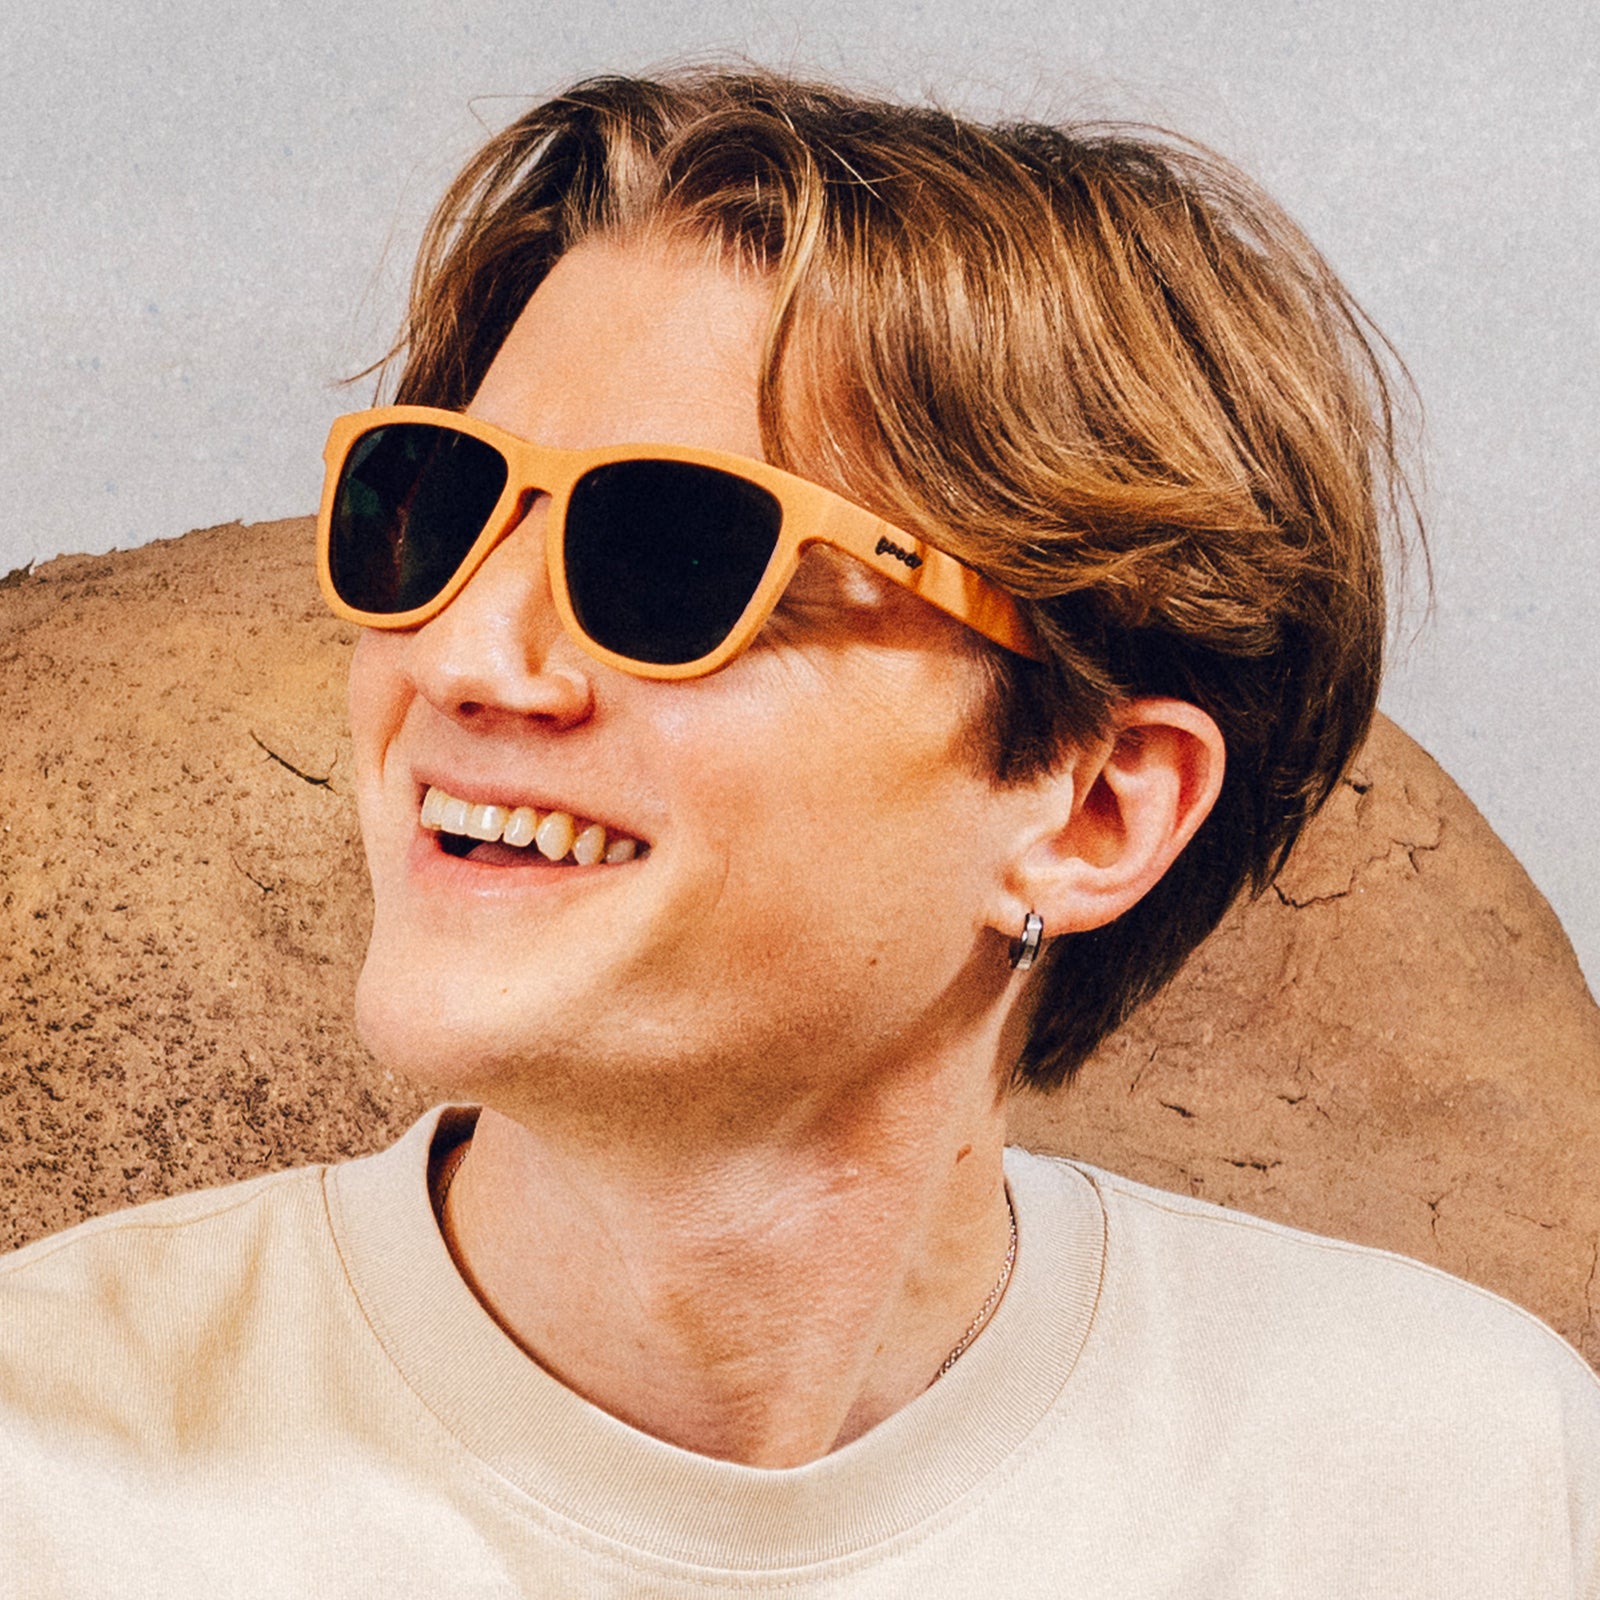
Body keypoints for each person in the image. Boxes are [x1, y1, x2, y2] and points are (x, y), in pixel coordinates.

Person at [1, 67, 1596, 1596]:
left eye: (676, 561)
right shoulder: (47, 1473)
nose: (469, 659)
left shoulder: (1453, 1488)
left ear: (1093, 809)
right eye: (438, 503)